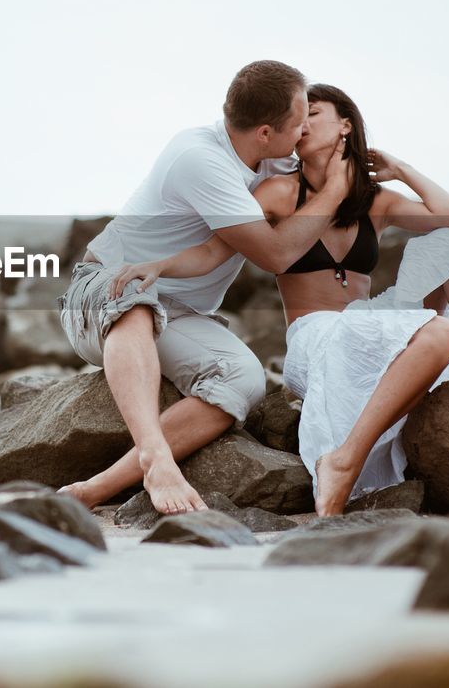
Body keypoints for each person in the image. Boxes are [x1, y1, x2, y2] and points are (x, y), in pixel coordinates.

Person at [106, 83, 449, 516]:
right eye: (299, 117)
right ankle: (344, 459)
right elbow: (213, 251)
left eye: (314, 114)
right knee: (439, 335)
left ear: (345, 125)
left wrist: (399, 167)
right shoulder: (278, 193)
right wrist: (159, 265)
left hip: (368, 322)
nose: (301, 125)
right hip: (317, 335)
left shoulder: (374, 200)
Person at [56, 61, 352, 515]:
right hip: (105, 285)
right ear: (265, 132)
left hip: (179, 311)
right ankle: (156, 460)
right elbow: (274, 254)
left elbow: (320, 155)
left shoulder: (270, 154)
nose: (304, 132)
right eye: (298, 123)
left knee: (246, 379)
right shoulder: (200, 158)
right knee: (134, 303)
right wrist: (334, 192)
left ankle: (94, 488)